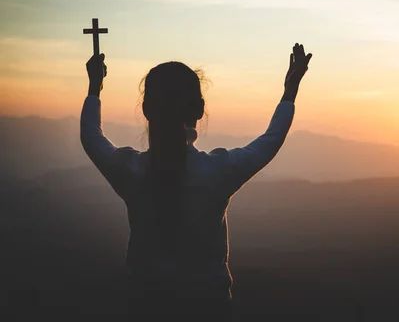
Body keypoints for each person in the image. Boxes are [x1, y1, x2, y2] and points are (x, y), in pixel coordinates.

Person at [80, 44, 312, 319]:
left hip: (145, 306)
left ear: (146, 110)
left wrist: (95, 87)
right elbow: (270, 141)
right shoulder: (217, 172)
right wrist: (290, 90)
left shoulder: (131, 171)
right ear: (200, 110)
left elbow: (91, 137)